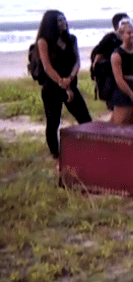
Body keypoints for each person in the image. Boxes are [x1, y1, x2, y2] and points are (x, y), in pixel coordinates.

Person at [36, 10, 92, 165]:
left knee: (85, 119)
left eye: (64, 19)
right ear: (51, 23)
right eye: (59, 20)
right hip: (52, 87)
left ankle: (91, 148)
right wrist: (61, 82)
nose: (63, 23)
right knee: (53, 122)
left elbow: (77, 62)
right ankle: (56, 154)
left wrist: (70, 79)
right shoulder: (44, 41)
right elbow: (47, 66)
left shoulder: (71, 39)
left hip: (71, 84)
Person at [109, 19, 133, 125]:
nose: (132, 35)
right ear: (122, 35)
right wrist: (131, 95)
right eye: (128, 33)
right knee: (120, 124)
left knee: (132, 123)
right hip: (123, 91)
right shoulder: (117, 55)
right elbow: (119, 79)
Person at [90, 12, 129, 111]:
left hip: (124, 77)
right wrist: (97, 74)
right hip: (111, 79)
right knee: (117, 108)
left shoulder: (127, 38)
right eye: (124, 23)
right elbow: (98, 58)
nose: (128, 25)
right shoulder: (110, 38)